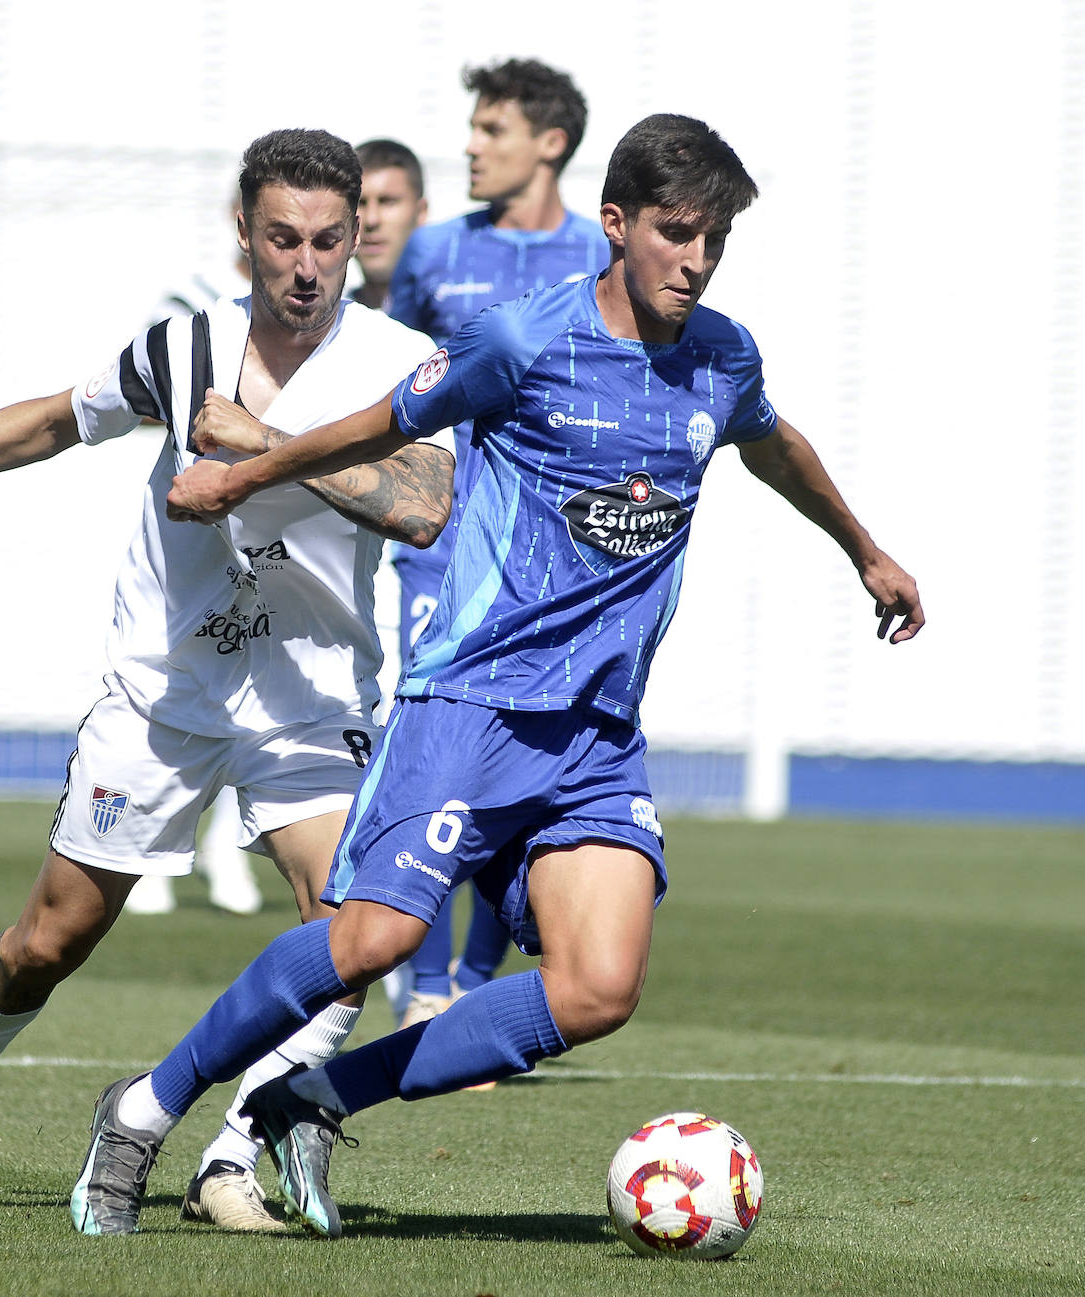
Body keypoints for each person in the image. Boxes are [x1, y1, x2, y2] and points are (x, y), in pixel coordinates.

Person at [69, 111, 924, 1240]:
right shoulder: (524, 341)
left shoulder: (723, 355)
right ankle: (144, 1105)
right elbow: (377, 422)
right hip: (468, 701)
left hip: (595, 729)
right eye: (677, 234)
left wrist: (864, 548)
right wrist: (242, 478)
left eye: (714, 240)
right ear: (615, 225)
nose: (697, 260)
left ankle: (314, 1098)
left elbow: (772, 441)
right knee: (372, 939)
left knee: (598, 986)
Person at [0, 128, 455, 1235]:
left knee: (359, 930)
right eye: (281, 239)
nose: (305, 265)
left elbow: (422, 504)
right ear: (243, 232)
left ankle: (229, 1152)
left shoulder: (402, 359)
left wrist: (261, 444)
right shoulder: (183, 348)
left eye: (328, 240)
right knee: (47, 943)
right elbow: (55, 421)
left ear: (359, 235)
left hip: (310, 699)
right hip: (166, 692)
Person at [386, 59, 607, 1030]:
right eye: (473, 128)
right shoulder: (434, 255)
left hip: (557, 565)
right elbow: (383, 385)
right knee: (431, 748)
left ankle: (474, 982)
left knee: (534, 757)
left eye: (492, 130)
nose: (472, 146)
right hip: (447, 547)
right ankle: (419, 983)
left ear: (549, 143)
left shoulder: (597, 258)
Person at [130, 188, 260, 920]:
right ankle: (149, 848)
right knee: (174, 679)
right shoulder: (191, 301)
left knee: (266, 687)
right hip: (193, 526)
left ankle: (221, 848)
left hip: (278, 529)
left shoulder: (327, 315)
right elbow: (147, 402)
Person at [350, 139, 428, 313]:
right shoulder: (319, 326)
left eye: (387, 202)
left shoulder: (453, 317)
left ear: (421, 212)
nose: (371, 220)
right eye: (360, 203)